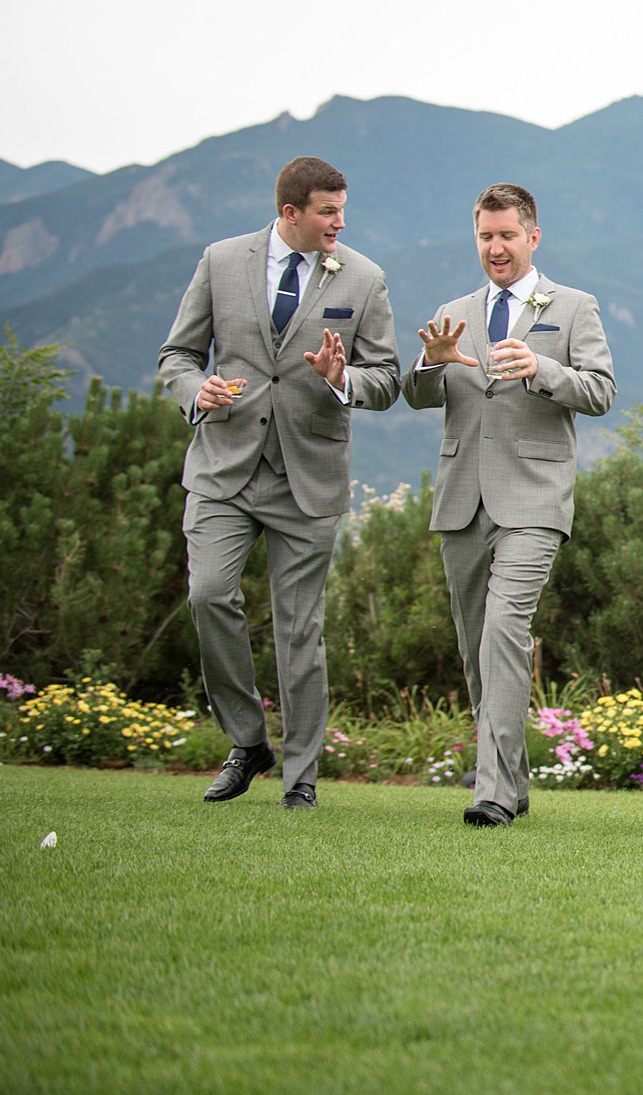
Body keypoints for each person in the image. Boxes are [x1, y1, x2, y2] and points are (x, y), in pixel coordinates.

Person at [158, 155, 400, 808]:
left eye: (343, 210)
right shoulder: (219, 261)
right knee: (209, 595)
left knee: (299, 631)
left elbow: (388, 379)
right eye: (327, 211)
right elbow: (177, 355)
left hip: (310, 478)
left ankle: (302, 779)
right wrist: (194, 387)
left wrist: (339, 377)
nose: (339, 223)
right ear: (291, 212)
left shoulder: (366, 277)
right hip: (223, 469)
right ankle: (247, 739)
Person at [403, 183, 615, 827]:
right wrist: (428, 365)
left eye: (507, 236)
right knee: (476, 647)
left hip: (534, 500)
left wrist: (541, 371)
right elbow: (418, 396)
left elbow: (601, 391)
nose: (495, 248)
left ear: (533, 238)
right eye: (485, 237)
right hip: (461, 499)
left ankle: (491, 791)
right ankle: (514, 779)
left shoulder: (574, 307)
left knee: (504, 630)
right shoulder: (454, 308)